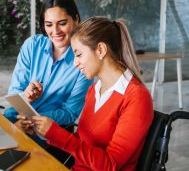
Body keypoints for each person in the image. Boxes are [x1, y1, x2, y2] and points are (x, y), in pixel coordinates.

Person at [32, 17, 154, 170]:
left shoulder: (136, 97)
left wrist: (57, 134)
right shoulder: (94, 90)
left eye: (78, 54)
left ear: (101, 50)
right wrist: (46, 132)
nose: (75, 63)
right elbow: (82, 142)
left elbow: (110, 165)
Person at [3, 0, 93, 145]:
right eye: (49, 24)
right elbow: (14, 93)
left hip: (44, 135)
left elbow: (70, 113)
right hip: (12, 120)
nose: (55, 31)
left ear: (76, 19)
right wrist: (26, 97)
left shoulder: (83, 60)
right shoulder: (32, 45)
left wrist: (32, 120)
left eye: (62, 23)